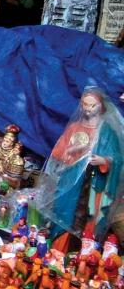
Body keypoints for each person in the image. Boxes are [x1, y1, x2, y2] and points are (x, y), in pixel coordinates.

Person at [41, 87, 123, 249]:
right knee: (64, 214)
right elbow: (58, 155)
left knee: (91, 217)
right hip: (71, 185)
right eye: (85, 104)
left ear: (101, 106)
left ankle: (85, 251)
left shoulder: (106, 131)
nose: (88, 108)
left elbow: (118, 159)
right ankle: (60, 248)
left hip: (96, 185)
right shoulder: (75, 127)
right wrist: (71, 151)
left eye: (93, 105)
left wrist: (104, 160)